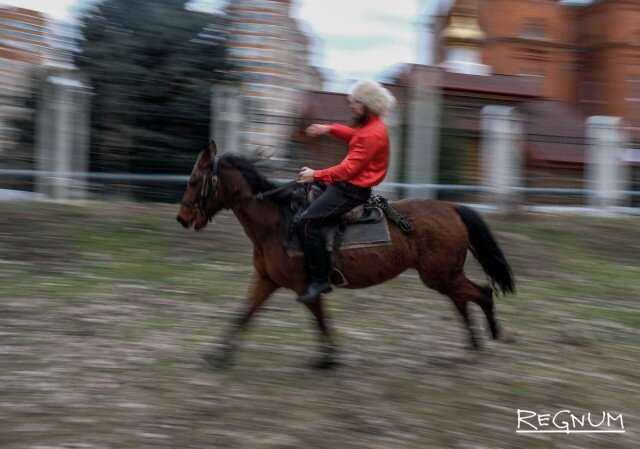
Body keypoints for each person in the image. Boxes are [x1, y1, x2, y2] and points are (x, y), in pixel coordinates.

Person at [296, 79, 396, 304]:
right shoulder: (371, 125)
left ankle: (320, 280)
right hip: (347, 184)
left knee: (307, 223)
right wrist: (328, 128)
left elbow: (348, 169)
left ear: (367, 105)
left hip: (351, 191)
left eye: (355, 101)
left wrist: (316, 174)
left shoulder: (372, 133)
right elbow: (354, 136)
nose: (351, 104)